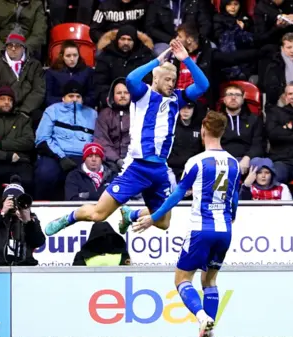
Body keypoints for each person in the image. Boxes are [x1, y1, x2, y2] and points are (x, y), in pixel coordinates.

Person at [43, 40, 210, 236]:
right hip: (137, 167)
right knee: (99, 214)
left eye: (174, 80)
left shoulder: (177, 98)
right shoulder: (143, 93)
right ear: (156, 79)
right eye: (167, 80)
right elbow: (130, 79)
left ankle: (131, 214)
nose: (171, 84)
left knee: (164, 223)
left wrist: (185, 60)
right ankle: (68, 218)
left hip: (160, 169)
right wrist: (157, 61)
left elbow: (203, 85)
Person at [132, 110, 240, 337]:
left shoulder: (197, 162)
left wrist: (154, 218)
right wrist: (231, 218)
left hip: (202, 228)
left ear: (203, 130)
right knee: (210, 280)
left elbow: (177, 196)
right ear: (223, 131)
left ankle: (202, 317)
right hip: (225, 231)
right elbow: (234, 200)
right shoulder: (234, 163)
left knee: (181, 279)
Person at [0, 176, 45, 266]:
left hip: (23, 265)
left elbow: (39, 241)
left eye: (17, 201)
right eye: (11, 200)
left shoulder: (29, 216)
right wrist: (2, 213)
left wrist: (27, 222)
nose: (14, 204)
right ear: (3, 200)